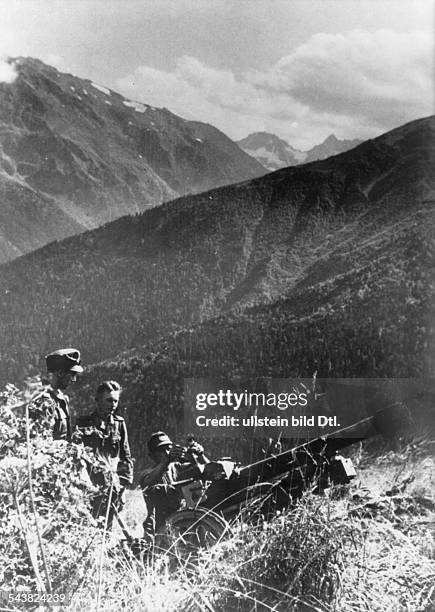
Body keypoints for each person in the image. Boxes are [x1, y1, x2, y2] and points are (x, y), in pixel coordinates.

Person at [72, 380, 133, 526]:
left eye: (115, 401)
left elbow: (125, 456)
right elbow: (75, 455)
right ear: (97, 400)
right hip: (89, 486)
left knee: (107, 526)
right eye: (108, 400)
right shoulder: (83, 423)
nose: (112, 405)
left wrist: (123, 487)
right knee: (87, 525)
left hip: (112, 486)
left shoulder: (119, 424)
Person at [140, 431, 208, 542]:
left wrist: (199, 455)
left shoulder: (176, 467)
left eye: (168, 448)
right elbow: (147, 483)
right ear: (151, 455)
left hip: (181, 522)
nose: (166, 452)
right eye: (161, 450)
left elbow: (206, 471)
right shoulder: (147, 473)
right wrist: (166, 462)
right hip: (159, 528)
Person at [29, 348, 83, 441]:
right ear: (60, 373)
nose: (74, 380)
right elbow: (39, 442)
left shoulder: (61, 398)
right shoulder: (42, 401)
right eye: (72, 374)